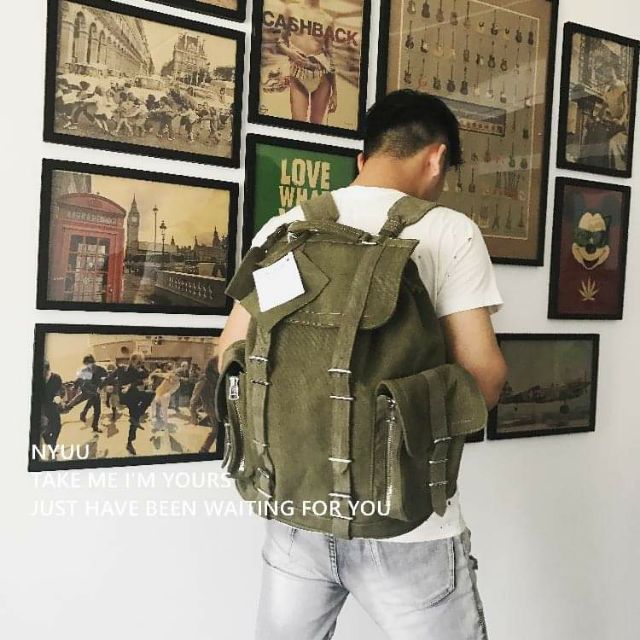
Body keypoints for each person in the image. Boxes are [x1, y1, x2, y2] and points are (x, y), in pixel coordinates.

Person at [217, 89, 508, 638]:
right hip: (407, 525)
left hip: (294, 512)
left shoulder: (285, 228)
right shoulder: (449, 231)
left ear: (362, 158)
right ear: (437, 157)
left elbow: (229, 356)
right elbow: (483, 383)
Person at [274, 0, 337, 124]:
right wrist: (291, 53)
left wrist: (335, 92)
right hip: (298, 74)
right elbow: (279, 41)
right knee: (297, 124)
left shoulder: (328, 19)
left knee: (316, 126)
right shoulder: (291, 9)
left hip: (322, 75)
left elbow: (330, 55)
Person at [104, 352, 154, 456]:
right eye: (139, 362)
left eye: (142, 363)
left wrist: (133, 383)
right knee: (135, 415)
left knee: (151, 395)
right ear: (132, 361)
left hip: (134, 396)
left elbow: (146, 378)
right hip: (125, 396)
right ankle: (136, 417)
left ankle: (129, 443)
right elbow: (109, 378)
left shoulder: (140, 371)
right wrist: (106, 386)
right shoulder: (122, 369)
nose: (140, 365)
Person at [64, 355, 107, 433]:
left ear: (93, 362)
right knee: (76, 401)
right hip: (86, 390)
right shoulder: (85, 371)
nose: (87, 366)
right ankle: (66, 408)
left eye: (88, 364)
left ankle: (94, 426)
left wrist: (102, 385)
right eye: (86, 364)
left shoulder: (100, 370)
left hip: (95, 392)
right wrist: (75, 386)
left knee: (97, 411)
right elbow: (80, 379)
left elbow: (106, 378)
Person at [189, 357, 220, 453]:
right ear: (213, 366)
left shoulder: (217, 376)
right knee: (216, 430)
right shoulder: (204, 379)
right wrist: (193, 416)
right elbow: (194, 399)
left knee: (218, 430)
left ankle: (205, 449)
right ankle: (204, 450)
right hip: (212, 408)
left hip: (219, 407)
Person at [41, 360, 65, 450]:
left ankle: (53, 444)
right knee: (46, 427)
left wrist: (58, 396)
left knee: (57, 426)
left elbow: (61, 389)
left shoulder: (56, 378)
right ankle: (47, 438)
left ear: (47, 370)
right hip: (42, 407)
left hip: (53, 405)